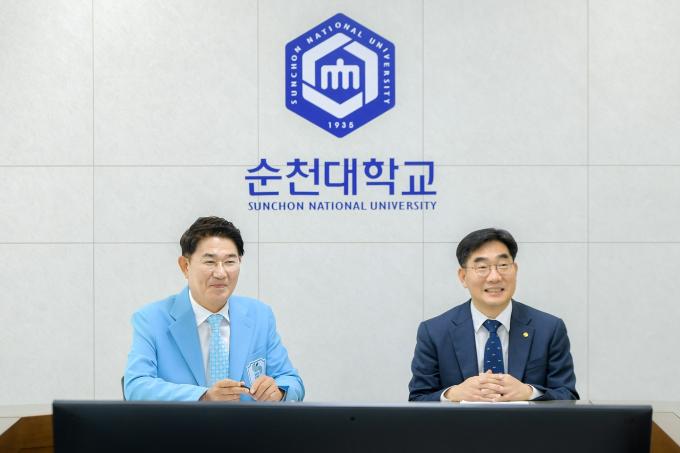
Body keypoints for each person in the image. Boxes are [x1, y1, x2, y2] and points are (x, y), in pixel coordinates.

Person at [124, 216, 304, 402]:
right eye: (210, 262)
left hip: (248, 422)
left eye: (230, 262)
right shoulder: (151, 319)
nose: (220, 273)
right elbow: (136, 386)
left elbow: (292, 381)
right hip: (181, 422)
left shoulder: (260, 315)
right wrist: (203, 397)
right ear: (185, 266)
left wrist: (279, 392)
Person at [408, 228, 578, 402]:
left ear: (515, 270)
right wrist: (453, 394)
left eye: (503, 265)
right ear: (463, 276)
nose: (494, 277)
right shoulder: (434, 332)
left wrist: (529, 393)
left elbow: (568, 396)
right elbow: (418, 398)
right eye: (482, 267)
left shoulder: (549, 329)